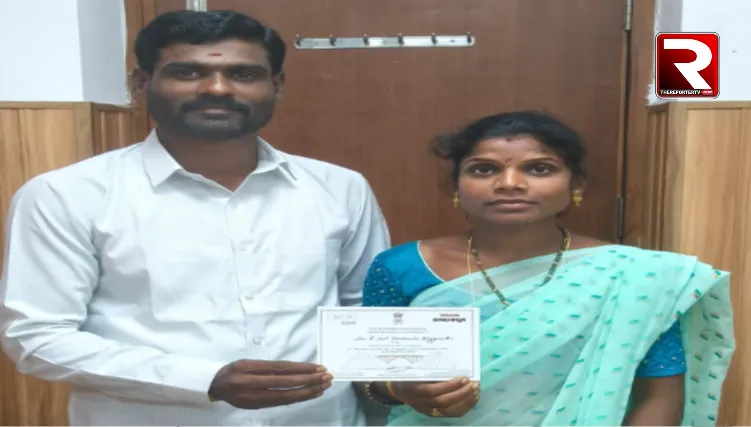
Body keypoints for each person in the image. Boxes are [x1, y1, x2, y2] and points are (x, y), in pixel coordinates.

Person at [0, 10, 390, 426]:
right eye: (187, 73)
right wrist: (203, 380)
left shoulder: (340, 188)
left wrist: (399, 388)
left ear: (276, 85)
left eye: (243, 74)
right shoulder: (67, 195)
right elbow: (36, 336)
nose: (217, 89)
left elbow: (367, 314)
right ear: (141, 83)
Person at [358, 111, 734, 426]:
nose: (509, 183)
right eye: (483, 169)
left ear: (576, 184)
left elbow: (659, 393)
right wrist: (401, 389)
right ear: (457, 185)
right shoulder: (402, 267)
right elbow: (367, 373)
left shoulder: (638, 277)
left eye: (539, 168)